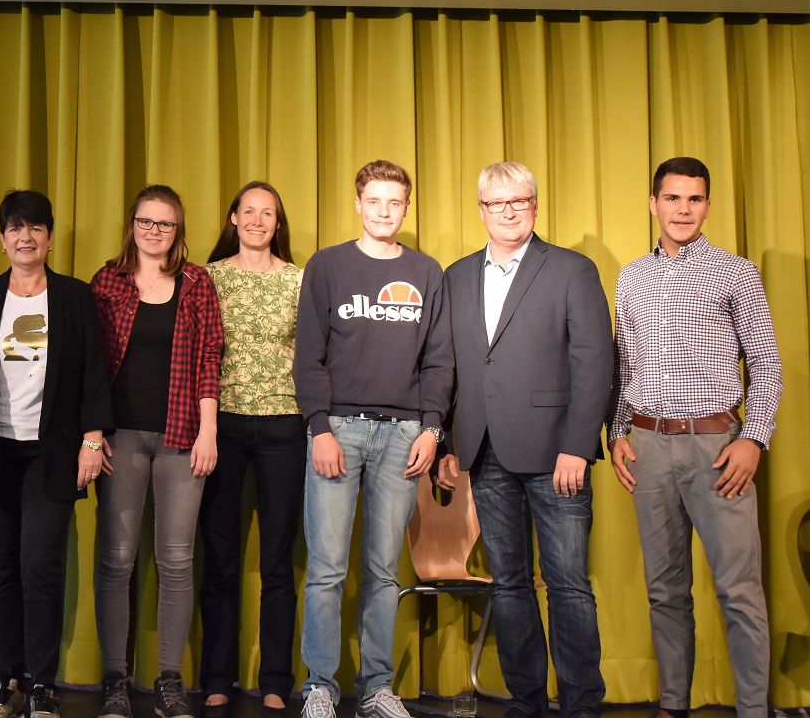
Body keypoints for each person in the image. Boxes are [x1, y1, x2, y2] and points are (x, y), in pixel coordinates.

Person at [607, 157, 782, 718]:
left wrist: (753, 439)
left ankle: (753, 710)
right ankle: (673, 705)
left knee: (739, 589)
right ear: (653, 203)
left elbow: (767, 366)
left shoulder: (736, 273)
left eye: (695, 199)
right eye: (673, 198)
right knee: (664, 589)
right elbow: (625, 365)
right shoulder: (632, 276)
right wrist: (617, 432)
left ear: (708, 206)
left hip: (717, 449)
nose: (683, 210)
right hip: (648, 447)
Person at [435, 162, 612, 718]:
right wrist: (446, 444)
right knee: (509, 584)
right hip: (484, 451)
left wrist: (578, 445)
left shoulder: (571, 270)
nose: (508, 211)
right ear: (481, 210)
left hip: (557, 453)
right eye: (497, 202)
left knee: (568, 585)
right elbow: (447, 367)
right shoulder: (456, 276)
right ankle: (528, 701)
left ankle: (582, 705)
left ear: (535, 205)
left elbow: (594, 362)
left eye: (519, 200)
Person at [293, 160, 454, 718]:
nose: (384, 211)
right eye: (374, 201)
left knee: (384, 570)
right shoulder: (327, 266)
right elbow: (308, 355)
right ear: (358, 204)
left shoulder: (427, 272)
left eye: (395, 202)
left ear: (406, 207)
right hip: (338, 430)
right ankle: (320, 687)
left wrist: (432, 428)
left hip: (404, 435)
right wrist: (319, 427)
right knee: (327, 569)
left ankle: (378, 687)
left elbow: (439, 360)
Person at [0, 190, 113, 718]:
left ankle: (43, 685)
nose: (26, 237)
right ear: (2, 240)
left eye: (36, 227)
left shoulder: (74, 296)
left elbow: (94, 373)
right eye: (16, 228)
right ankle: (9, 683)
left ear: (49, 237)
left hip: (51, 454)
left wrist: (92, 440)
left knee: (40, 567)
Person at [90, 186, 223, 718]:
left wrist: (208, 431)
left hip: (181, 436)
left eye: (164, 224)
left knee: (176, 560)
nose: (154, 231)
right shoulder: (108, 281)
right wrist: (91, 434)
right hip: (118, 437)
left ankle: (169, 679)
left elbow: (210, 356)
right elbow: (89, 363)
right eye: (146, 221)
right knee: (116, 560)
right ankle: (114, 681)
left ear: (177, 230)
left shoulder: (196, 282)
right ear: (132, 225)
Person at [198, 182, 303, 718]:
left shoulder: (299, 280)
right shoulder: (207, 278)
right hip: (222, 428)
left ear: (278, 223)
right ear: (233, 218)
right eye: (250, 211)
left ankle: (276, 679)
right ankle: (216, 676)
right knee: (219, 557)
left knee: (278, 562)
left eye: (269, 213)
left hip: (285, 426)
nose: (259, 220)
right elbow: (197, 354)